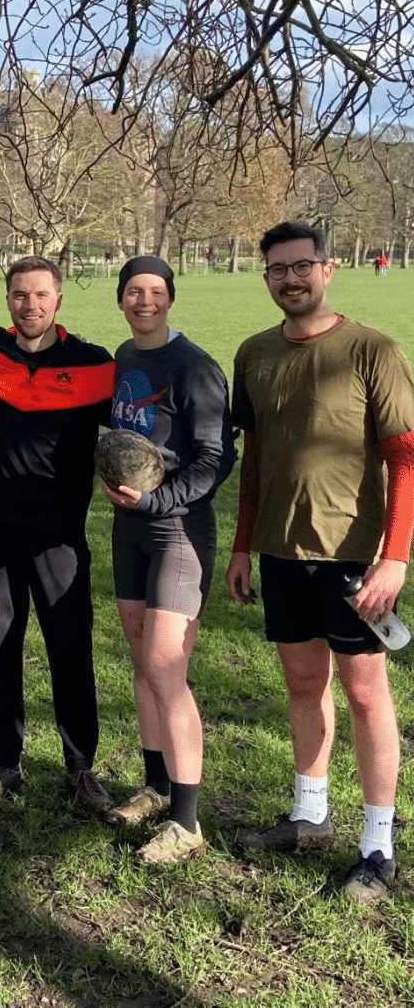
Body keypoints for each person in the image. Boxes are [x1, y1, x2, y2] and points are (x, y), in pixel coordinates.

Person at [227, 222, 413, 903]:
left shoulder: (372, 350)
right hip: (280, 552)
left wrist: (395, 558)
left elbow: (406, 457)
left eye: (302, 266)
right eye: (277, 269)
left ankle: (377, 845)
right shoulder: (253, 354)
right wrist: (244, 543)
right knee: (303, 685)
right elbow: (253, 462)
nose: (291, 279)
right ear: (267, 278)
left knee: (365, 695)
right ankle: (309, 814)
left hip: (356, 556)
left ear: (328, 270)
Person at [0, 257, 116, 812]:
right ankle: (5, 761)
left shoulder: (94, 365)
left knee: (70, 648)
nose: (31, 306)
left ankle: (80, 768)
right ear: (8, 301)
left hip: (60, 536)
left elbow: (142, 418)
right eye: (20, 295)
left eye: (41, 295)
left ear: (59, 300)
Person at [103, 256, 234, 863]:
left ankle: (186, 821)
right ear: (122, 299)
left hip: (178, 530)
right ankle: (155, 787)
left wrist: (160, 500)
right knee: (141, 661)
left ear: (171, 298)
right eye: (134, 291)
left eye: (155, 292)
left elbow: (213, 460)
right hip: (128, 527)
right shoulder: (124, 360)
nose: (144, 301)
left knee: (165, 665)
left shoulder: (195, 368)